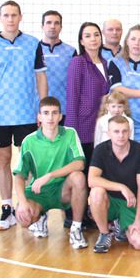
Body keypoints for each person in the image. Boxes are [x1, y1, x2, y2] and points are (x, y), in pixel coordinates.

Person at [0, 0, 47, 230]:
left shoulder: (33, 44)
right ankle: (7, 209)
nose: (10, 19)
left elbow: (41, 78)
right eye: (6, 15)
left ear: (20, 17)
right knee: (3, 160)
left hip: (27, 114)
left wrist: (42, 110)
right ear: (0, 18)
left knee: (30, 163)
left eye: (14, 15)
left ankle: (29, 208)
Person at [12, 97, 88, 249]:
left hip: (62, 190)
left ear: (60, 116)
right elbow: (19, 175)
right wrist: (22, 203)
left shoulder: (70, 133)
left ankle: (76, 229)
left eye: (54, 113)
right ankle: (40, 216)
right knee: (24, 219)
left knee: (79, 177)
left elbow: (79, 163)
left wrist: (49, 175)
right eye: (46, 113)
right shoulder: (29, 141)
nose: (50, 117)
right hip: (38, 191)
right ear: (39, 117)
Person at [88, 115, 140, 253]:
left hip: (131, 203)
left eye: (124, 131)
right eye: (116, 131)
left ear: (130, 132)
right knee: (96, 192)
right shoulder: (100, 150)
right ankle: (104, 233)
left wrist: (139, 218)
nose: (121, 135)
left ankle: (120, 224)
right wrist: (122, 187)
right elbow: (91, 180)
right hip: (109, 201)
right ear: (108, 133)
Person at [65, 22, 111, 164]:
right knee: (84, 167)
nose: (93, 39)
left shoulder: (105, 63)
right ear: (81, 41)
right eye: (88, 36)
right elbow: (72, 97)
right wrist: (71, 130)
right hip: (83, 125)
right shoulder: (78, 62)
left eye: (96, 35)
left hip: (102, 125)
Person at [40, 10, 76, 121]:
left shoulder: (71, 51)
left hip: (63, 109)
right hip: (40, 110)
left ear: (61, 27)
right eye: (49, 22)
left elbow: (76, 82)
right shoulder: (33, 50)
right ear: (42, 26)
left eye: (56, 23)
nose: (52, 26)